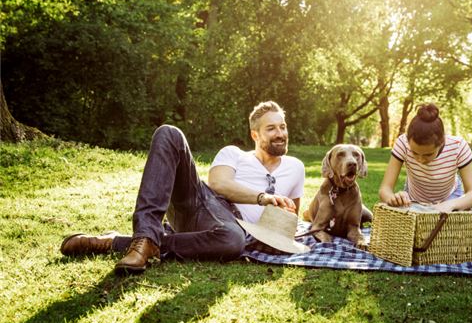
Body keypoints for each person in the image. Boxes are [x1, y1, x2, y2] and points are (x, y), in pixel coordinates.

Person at [60, 101, 305, 274]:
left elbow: (292, 217)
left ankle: (122, 243)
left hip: (231, 235)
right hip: (204, 206)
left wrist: (279, 235)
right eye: (271, 128)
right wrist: (262, 197)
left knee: (232, 240)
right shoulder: (234, 153)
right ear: (255, 135)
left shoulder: (296, 167)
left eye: (282, 126)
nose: (280, 133)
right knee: (169, 133)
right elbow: (219, 184)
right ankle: (145, 234)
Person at [379, 103, 472, 212]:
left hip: (451, 198)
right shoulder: (402, 143)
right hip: (413, 200)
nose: (420, 160)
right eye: (414, 153)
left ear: (441, 143)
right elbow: (385, 189)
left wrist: (450, 204)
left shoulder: (458, 146)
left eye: (428, 154)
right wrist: (394, 199)